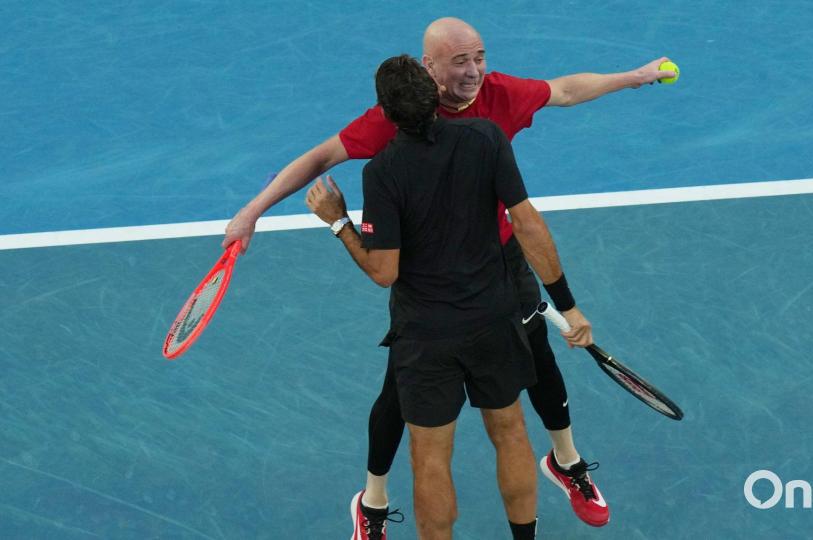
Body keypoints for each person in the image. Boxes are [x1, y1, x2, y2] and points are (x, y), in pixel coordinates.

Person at [223, 16, 676, 536]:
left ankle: (567, 462)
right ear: (429, 67)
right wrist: (253, 210)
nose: (475, 71)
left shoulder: (496, 99)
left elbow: (567, 90)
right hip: (428, 287)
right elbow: (320, 157)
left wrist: (634, 76)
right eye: (461, 61)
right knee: (403, 398)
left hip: (496, 269)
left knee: (538, 364)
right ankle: (372, 501)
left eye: (479, 57)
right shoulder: (411, 124)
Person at [306, 53, 592, 540]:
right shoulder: (486, 139)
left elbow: (383, 271)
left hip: (426, 338)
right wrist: (567, 304)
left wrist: (338, 222)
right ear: (435, 98)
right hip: (495, 321)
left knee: (431, 459)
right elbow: (526, 224)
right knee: (511, 435)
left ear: (387, 114)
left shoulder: (383, 173)